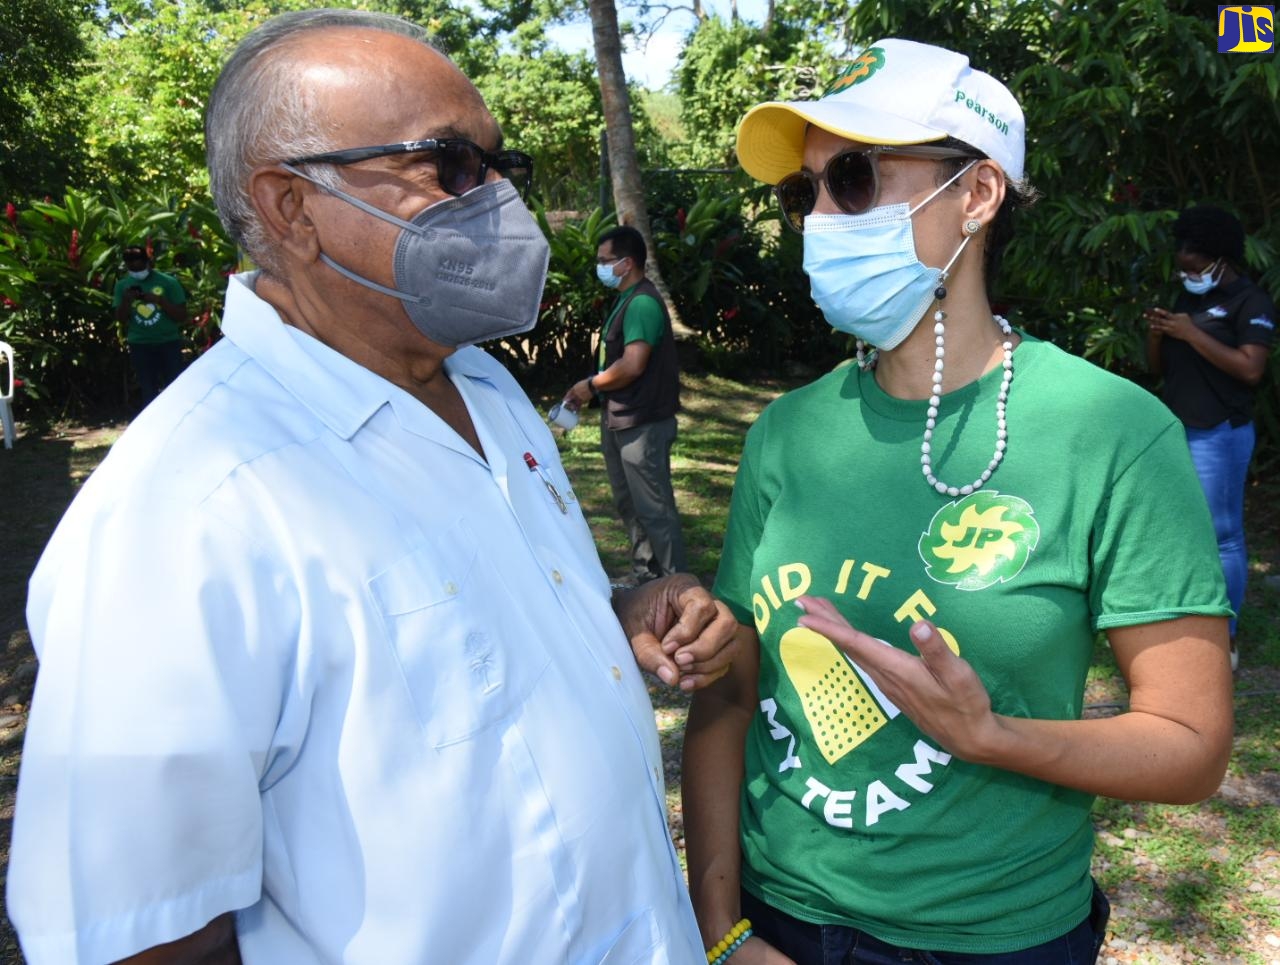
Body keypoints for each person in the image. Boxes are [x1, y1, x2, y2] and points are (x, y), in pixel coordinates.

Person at [8, 10, 737, 964]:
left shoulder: (486, 388)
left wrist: (627, 608)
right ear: (291, 208)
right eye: (450, 165)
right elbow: (143, 935)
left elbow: (486, 628)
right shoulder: (185, 513)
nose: (499, 205)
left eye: (496, 167)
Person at [682, 38, 1235, 965]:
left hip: (991, 940)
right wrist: (721, 928)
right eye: (802, 191)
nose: (819, 215)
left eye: (851, 177)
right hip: (775, 923)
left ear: (977, 195)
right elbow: (732, 697)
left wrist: (990, 734)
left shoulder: (1111, 430)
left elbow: (1190, 743)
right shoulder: (784, 431)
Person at [1144, 205, 1275, 671]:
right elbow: (1159, 369)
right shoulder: (1190, 303)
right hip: (1178, 430)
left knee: (1222, 537)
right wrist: (1161, 335)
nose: (1188, 276)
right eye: (1183, 269)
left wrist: (1190, 333)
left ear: (1221, 259)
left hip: (1219, 433)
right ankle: (1191, 617)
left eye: (1195, 269)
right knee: (1183, 532)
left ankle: (1229, 636)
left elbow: (1250, 368)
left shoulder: (1251, 302)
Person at [563, 225, 687, 582]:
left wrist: (590, 386)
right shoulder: (625, 299)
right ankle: (645, 577)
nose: (600, 267)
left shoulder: (643, 302)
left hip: (642, 422)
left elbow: (632, 364)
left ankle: (676, 585)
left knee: (654, 509)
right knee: (630, 504)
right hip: (620, 418)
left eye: (605, 261)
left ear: (627, 263)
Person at [113, 243, 189, 407]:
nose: (137, 271)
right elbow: (120, 319)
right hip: (140, 345)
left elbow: (182, 316)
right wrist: (126, 301)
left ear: (149, 263)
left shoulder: (168, 283)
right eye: (132, 269)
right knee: (148, 388)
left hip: (168, 343)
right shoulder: (121, 287)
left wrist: (160, 301)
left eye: (140, 267)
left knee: (175, 386)